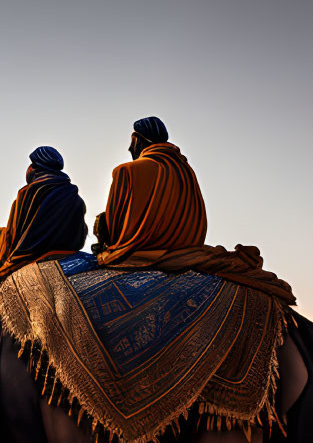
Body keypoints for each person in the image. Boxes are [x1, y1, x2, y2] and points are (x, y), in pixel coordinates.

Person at [93, 118, 295, 304]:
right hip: (188, 250)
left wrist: (105, 241)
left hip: (140, 254)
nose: (129, 148)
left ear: (138, 140)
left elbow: (117, 229)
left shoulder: (125, 171)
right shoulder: (185, 169)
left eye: (132, 140)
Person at [0, 145, 88, 289]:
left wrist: (7, 259)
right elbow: (81, 233)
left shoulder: (28, 194)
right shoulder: (75, 196)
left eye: (31, 165)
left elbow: (12, 235)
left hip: (34, 257)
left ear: (35, 167)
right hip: (72, 251)